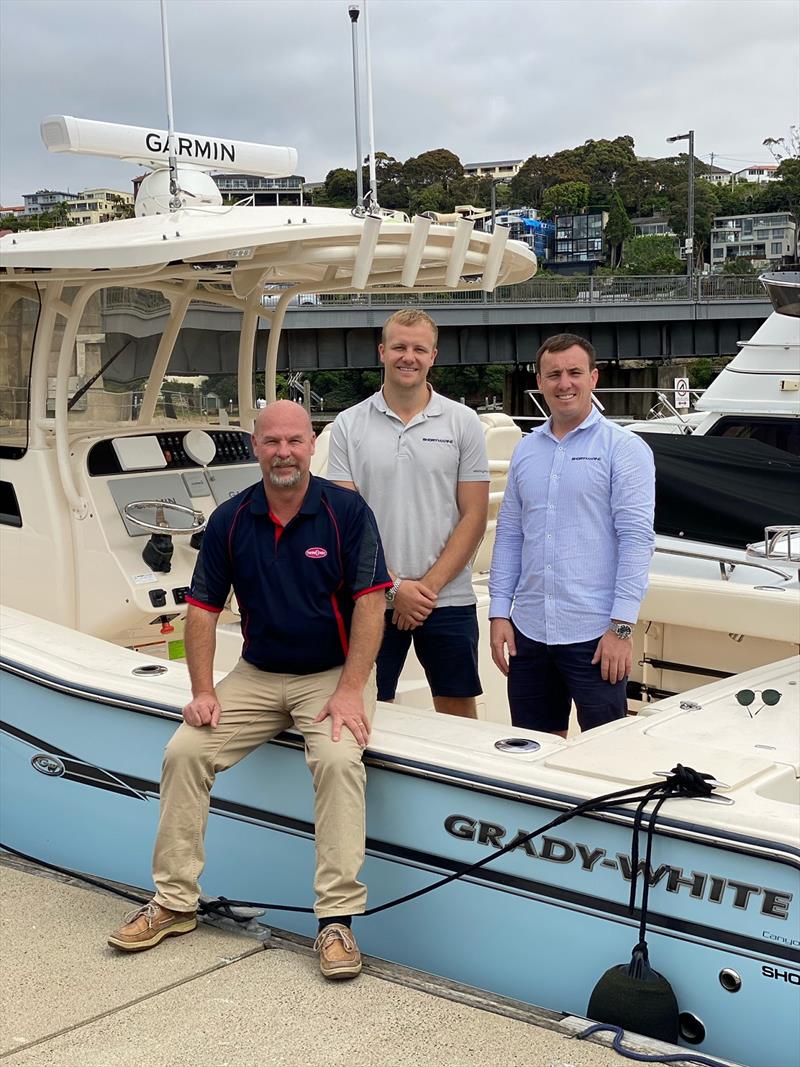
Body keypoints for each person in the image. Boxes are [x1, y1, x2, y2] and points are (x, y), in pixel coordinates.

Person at [109, 401, 390, 980]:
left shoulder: (346, 512)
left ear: (312, 445)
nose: (283, 452)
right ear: (257, 447)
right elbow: (203, 610)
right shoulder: (231, 518)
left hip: (330, 676)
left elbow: (371, 603)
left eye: (294, 441)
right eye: (271, 442)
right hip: (257, 675)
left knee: (339, 761)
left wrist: (350, 690)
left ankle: (336, 921)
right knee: (185, 751)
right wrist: (203, 690)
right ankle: (174, 902)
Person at [489, 333, 655, 736]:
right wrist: (498, 611)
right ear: (541, 383)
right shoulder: (526, 450)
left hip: (595, 634)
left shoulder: (624, 449)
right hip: (529, 630)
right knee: (533, 746)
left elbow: (636, 541)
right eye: (554, 374)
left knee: (604, 750)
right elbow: (511, 533)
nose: (565, 383)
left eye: (574, 373)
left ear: (593, 378)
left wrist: (621, 628)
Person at [328, 309, 489, 719]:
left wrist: (425, 589)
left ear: (433, 355)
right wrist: (395, 588)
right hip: (370, 597)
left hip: (447, 599)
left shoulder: (464, 422)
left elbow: (473, 516)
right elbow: (346, 525)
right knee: (366, 709)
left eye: (419, 348)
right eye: (399, 346)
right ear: (382, 351)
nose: (408, 356)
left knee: (458, 714)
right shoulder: (348, 425)